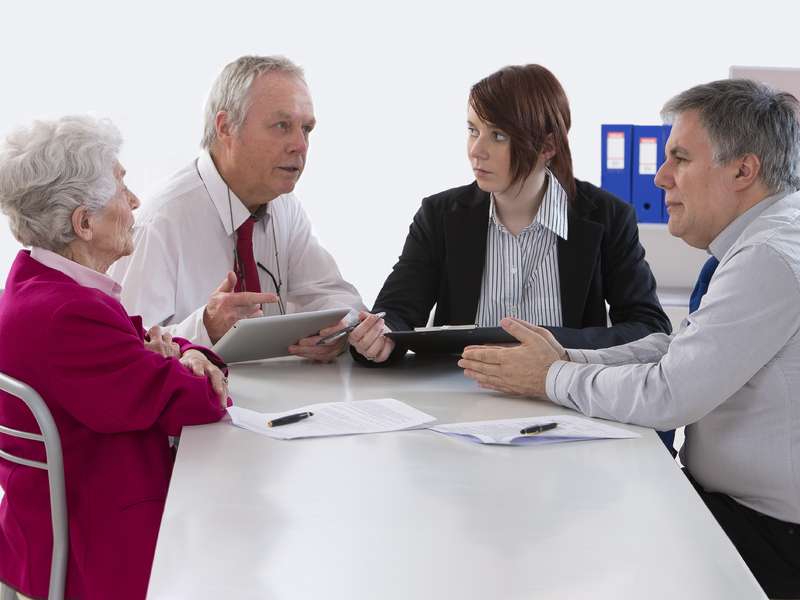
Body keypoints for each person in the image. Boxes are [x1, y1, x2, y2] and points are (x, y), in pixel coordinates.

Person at [459, 79, 800, 599]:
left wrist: (550, 376)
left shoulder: (767, 258)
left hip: (769, 538)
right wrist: (566, 357)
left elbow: (669, 396)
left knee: (566, 547)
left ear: (743, 169)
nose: (660, 177)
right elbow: (684, 348)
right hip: (746, 513)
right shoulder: (771, 236)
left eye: (680, 159)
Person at [0, 116, 230, 600]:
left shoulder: (38, 290)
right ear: (83, 223)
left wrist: (171, 355)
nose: (135, 202)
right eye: (122, 188)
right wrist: (179, 362)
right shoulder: (70, 315)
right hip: (97, 546)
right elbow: (201, 402)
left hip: (44, 527)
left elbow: (149, 340)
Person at [349, 65, 671, 364]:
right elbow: (396, 312)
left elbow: (649, 328)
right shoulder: (438, 215)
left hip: (562, 399)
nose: (477, 150)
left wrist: (556, 346)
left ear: (547, 147)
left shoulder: (609, 217)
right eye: (473, 130)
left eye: (498, 135)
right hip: (458, 398)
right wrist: (379, 339)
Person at [109, 55, 366, 363]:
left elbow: (339, 298)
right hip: (196, 407)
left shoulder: (284, 205)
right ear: (226, 127)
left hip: (276, 400)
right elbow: (122, 347)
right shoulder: (158, 221)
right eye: (282, 125)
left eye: (307, 128)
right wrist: (206, 328)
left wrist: (338, 332)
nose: (300, 145)